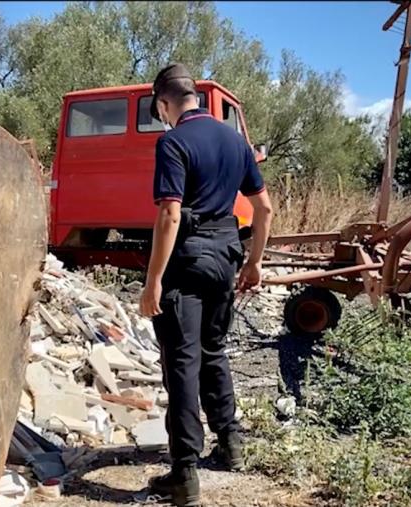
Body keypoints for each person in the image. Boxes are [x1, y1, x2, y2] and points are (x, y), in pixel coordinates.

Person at [139, 63, 273, 507]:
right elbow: (265, 209)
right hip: (227, 255)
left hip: (189, 259)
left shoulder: (173, 142)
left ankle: (184, 474)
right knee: (213, 350)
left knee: (181, 361)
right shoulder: (237, 142)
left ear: (164, 103)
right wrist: (253, 263)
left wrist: (153, 281)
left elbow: (170, 214)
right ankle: (230, 443)